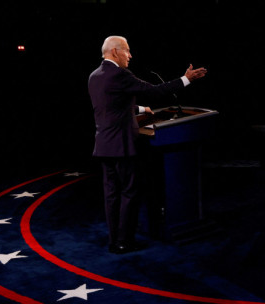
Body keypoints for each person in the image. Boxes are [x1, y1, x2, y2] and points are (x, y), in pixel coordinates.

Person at [88, 35, 207, 254]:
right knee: (129, 193)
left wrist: (142, 110)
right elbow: (154, 91)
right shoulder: (120, 74)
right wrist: (186, 79)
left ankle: (115, 240)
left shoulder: (95, 76)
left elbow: (111, 107)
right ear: (115, 51)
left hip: (104, 145)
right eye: (127, 51)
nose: (130, 56)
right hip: (122, 146)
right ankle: (124, 242)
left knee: (111, 195)